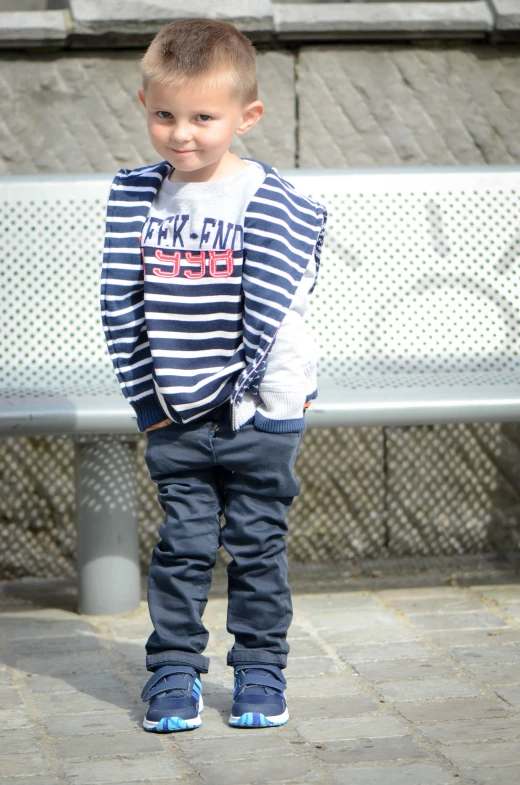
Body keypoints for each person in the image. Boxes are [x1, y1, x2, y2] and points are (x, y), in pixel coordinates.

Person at [100, 17, 327, 732]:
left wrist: (282, 405)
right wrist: (149, 403)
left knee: (258, 546)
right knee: (184, 547)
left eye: (203, 116)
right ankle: (173, 671)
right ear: (144, 106)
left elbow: (281, 315)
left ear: (246, 117)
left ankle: (260, 667)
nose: (182, 133)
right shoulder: (141, 200)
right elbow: (122, 306)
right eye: (165, 114)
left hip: (261, 412)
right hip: (177, 413)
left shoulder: (269, 201)